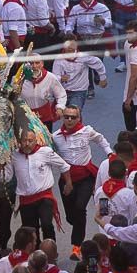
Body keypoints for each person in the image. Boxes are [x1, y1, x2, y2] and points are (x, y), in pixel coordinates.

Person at [52, 103, 112, 259]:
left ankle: (76, 246)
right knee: (71, 217)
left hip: (85, 178)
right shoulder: (56, 136)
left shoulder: (86, 131)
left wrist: (109, 153)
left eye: (73, 117)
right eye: (66, 117)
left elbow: (100, 139)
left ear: (79, 118)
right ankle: (77, 223)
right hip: (66, 180)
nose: (69, 120)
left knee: (80, 208)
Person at [13, 128, 71, 243]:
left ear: (36, 141)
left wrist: (68, 183)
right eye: (24, 140)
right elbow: (7, 175)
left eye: (30, 141)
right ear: (19, 141)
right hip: (26, 200)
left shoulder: (45, 152)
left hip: (44, 197)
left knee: (46, 224)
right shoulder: (14, 155)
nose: (27, 144)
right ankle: (36, 250)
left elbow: (64, 166)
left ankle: (50, 249)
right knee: (30, 231)